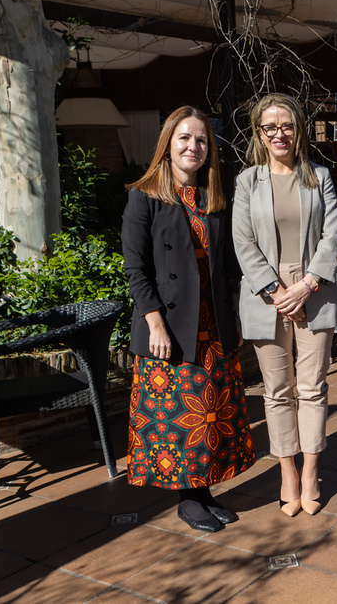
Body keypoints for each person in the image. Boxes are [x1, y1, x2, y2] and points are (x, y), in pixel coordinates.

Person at [122, 105, 255, 533]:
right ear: (167, 145)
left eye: (200, 140)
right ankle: (187, 500)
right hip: (170, 328)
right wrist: (155, 323)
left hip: (212, 324)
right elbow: (135, 268)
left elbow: (228, 267)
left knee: (208, 414)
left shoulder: (214, 198)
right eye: (184, 138)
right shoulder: (144, 196)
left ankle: (203, 491)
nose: (192, 147)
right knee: (177, 418)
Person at [232, 93, 337, 517]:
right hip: (267, 293)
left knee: (313, 388)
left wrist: (308, 284)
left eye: (287, 126)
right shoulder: (247, 181)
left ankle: (312, 470)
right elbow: (242, 241)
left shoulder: (319, 175)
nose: (279, 134)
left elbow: (333, 235)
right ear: (259, 133)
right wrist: (278, 292)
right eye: (270, 127)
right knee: (277, 392)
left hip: (314, 287)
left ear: (299, 130)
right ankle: (287, 473)